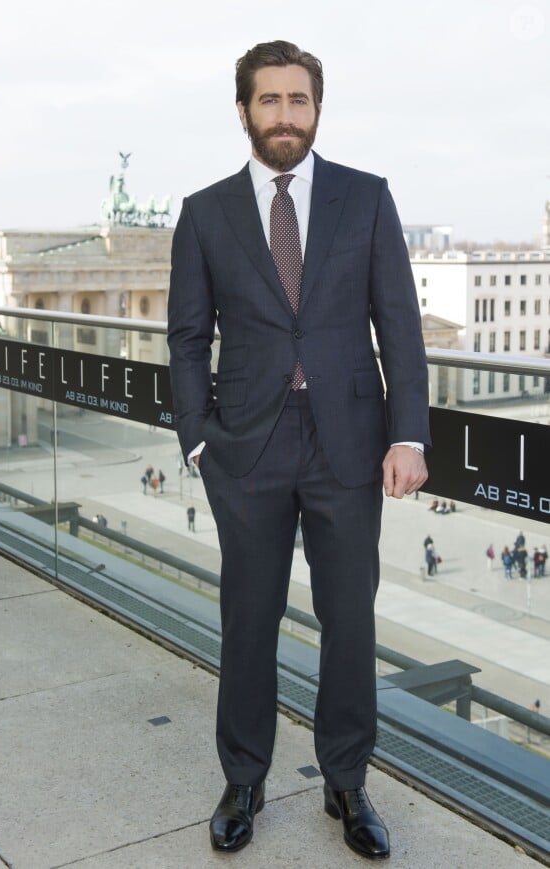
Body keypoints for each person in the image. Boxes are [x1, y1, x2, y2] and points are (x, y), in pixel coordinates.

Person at [167, 40, 430, 860]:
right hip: (244, 450)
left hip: (350, 447)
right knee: (248, 621)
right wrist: (198, 441)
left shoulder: (367, 198)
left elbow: (402, 327)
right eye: (270, 100)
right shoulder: (205, 212)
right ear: (243, 110)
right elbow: (185, 339)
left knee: (348, 621)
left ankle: (345, 780)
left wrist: (409, 432)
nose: (286, 116)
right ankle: (243, 777)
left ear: (318, 108)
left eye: (299, 100)